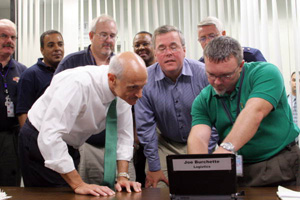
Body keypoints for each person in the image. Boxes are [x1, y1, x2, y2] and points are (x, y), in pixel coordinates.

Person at [18, 51, 146, 196]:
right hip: (39, 139)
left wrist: (123, 176)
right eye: (134, 87)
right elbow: (50, 136)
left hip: (69, 143)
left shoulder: (124, 86)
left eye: (142, 87)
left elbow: (124, 136)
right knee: (53, 195)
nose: (139, 94)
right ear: (112, 79)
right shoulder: (78, 84)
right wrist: (78, 183)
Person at [188, 36, 300, 187]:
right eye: (211, 75)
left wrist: (225, 150)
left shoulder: (265, 73)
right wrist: (200, 169)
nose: (217, 82)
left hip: (279, 163)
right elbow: (198, 137)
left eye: (226, 75)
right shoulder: (204, 99)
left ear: (241, 65)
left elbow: (255, 112)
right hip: (237, 169)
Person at [135, 25, 218, 188]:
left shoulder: (203, 74)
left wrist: (203, 159)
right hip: (166, 143)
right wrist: (154, 167)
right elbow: (146, 128)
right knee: (160, 188)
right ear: (156, 53)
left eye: (174, 47)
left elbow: (215, 121)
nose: (168, 53)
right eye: (162, 48)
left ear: (184, 50)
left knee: (207, 188)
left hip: (204, 140)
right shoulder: (145, 79)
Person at [55, 14, 121, 184]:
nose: (108, 40)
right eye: (103, 35)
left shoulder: (121, 65)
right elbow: (57, 105)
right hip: (84, 145)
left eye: (112, 36)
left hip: (115, 143)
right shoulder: (71, 63)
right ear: (91, 36)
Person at [17, 30, 64, 127]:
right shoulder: (30, 75)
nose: (57, 48)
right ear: (42, 49)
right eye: (51, 45)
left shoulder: (67, 73)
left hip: (63, 135)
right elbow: (23, 112)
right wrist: (28, 139)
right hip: (38, 135)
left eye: (60, 44)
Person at [0, 19, 27, 186]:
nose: (9, 41)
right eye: (3, 36)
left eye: (13, 37)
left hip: (12, 138)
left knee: (10, 185)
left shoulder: (23, 71)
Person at [132, 31, 155, 187]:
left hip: (159, 139)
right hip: (136, 139)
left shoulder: (162, 71)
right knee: (139, 179)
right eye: (137, 45)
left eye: (145, 43)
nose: (141, 48)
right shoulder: (131, 72)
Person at [197, 16, 266, 63]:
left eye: (212, 36)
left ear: (223, 34)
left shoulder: (250, 56)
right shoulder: (201, 63)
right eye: (202, 38)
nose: (208, 41)